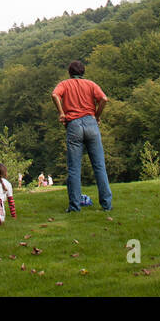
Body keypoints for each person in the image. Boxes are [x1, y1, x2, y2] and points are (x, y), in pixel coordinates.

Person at [52, 59, 112, 213]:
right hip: (91, 123)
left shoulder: (65, 84)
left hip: (74, 125)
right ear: (83, 72)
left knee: (74, 168)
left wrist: (61, 114)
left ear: (69, 72)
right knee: (99, 166)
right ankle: (106, 205)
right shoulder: (91, 84)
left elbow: (55, 95)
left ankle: (75, 206)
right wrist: (97, 115)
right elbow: (104, 99)